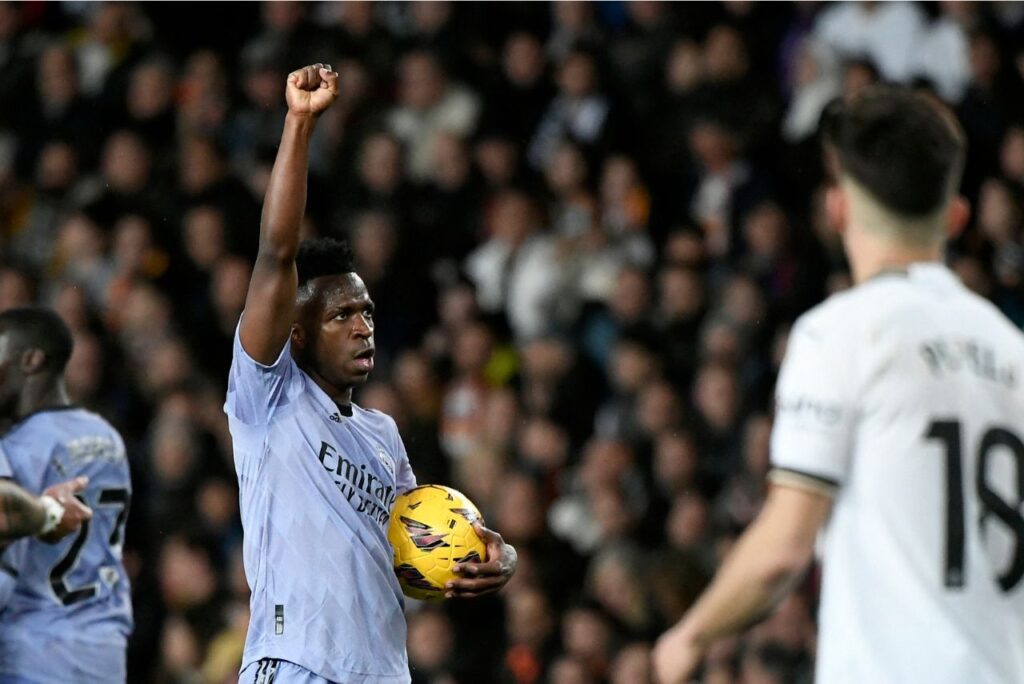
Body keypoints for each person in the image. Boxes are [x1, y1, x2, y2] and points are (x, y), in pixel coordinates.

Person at [653, 86, 1024, 683]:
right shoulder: (1013, 350)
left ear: (837, 209)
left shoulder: (840, 334)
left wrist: (690, 635)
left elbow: (783, 549)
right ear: (955, 216)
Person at [226, 64, 517, 684]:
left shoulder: (383, 436)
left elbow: (418, 548)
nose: (363, 327)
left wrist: (495, 554)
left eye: (367, 313)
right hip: (294, 665)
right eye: (341, 316)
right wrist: (299, 124)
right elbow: (276, 252)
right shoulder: (266, 395)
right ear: (297, 332)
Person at [0, 307, 134, 683]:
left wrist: (44, 514)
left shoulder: (18, 447)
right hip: (103, 650)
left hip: (34, 652)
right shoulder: (106, 437)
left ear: (30, 360)